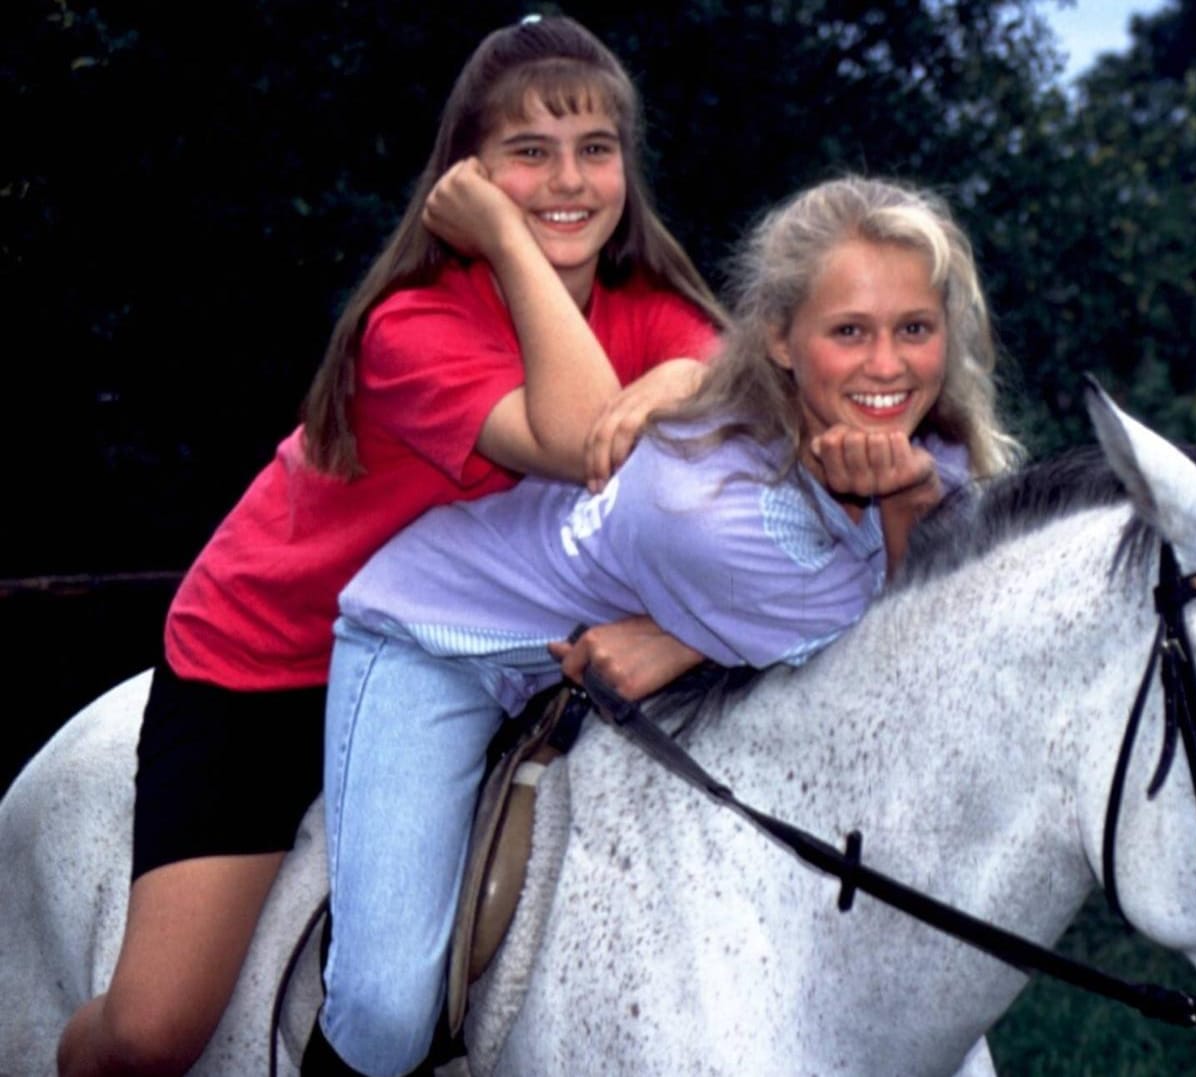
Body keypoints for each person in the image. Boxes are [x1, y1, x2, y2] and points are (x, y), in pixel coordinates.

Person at [56, 16, 725, 1077]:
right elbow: (579, 437)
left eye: (597, 149)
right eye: (529, 152)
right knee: (154, 1032)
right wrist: (513, 249)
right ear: (467, 175)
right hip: (273, 661)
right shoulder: (412, 325)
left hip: (467, 657)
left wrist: (688, 377)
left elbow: (749, 404)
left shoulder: (651, 309)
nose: (569, 177)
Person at [307, 175, 1022, 1077]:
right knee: (383, 1012)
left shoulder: (934, 457)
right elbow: (890, 654)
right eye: (850, 331)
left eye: (914, 329)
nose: (887, 366)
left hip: (595, 645)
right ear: (779, 340)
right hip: (438, 637)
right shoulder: (704, 501)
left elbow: (932, 657)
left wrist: (685, 635)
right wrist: (708, 628)